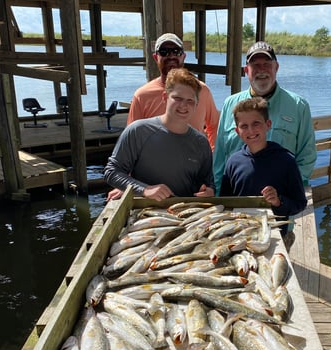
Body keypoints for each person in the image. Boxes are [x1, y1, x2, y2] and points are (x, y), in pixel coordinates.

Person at [213, 41, 316, 193]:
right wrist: (218, 195)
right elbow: (220, 157)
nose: (261, 70)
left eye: (267, 64)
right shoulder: (230, 104)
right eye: (255, 65)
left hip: (281, 199)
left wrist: (285, 192)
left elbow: (307, 157)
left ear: (276, 67)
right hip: (236, 196)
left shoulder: (298, 106)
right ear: (246, 70)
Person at [104, 68, 215, 201]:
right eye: (177, 98)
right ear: (165, 97)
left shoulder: (201, 142)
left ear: (197, 105)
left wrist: (209, 191)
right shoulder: (138, 131)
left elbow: (208, 183)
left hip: (185, 214)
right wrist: (144, 189)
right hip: (144, 212)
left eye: (190, 101)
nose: (183, 106)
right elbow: (112, 172)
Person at [220, 97, 307, 239]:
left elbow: (300, 203)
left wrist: (279, 201)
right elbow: (225, 202)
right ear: (237, 131)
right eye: (244, 126)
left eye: (256, 124)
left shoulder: (286, 160)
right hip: (240, 234)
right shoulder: (233, 162)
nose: (251, 130)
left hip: (274, 235)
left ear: (268, 124)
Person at [127, 33, 220, 150]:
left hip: (194, 162)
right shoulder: (141, 95)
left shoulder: (202, 90)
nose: (171, 56)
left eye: (176, 51)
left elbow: (215, 126)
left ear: (183, 56)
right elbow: (132, 137)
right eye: (164, 52)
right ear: (156, 57)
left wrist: (212, 156)